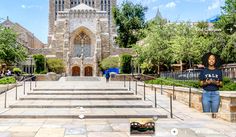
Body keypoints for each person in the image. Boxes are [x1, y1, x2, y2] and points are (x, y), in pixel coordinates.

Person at [199, 52, 223, 118]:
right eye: (210, 59)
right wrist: (207, 82)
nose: (211, 60)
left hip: (216, 94)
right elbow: (200, 84)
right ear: (208, 60)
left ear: (215, 61)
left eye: (213, 59)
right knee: (206, 115)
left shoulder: (218, 71)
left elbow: (221, 84)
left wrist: (216, 83)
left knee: (214, 115)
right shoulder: (203, 71)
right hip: (205, 94)